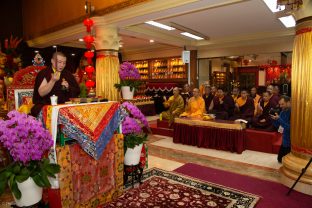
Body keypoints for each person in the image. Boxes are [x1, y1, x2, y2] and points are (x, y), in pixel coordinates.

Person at [31, 52, 80, 117]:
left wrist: (68, 87)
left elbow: (77, 91)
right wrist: (52, 80)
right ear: (52, 61)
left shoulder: (67, 74)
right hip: (46, 105)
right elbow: (41, 93)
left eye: (64, 63)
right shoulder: (44, 73)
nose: (62, 65)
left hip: (64, 104)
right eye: (59, 62)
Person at [271, 96, 291, 163]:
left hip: (291, 141)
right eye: (280, 104)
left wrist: (279, 119)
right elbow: (278, 127)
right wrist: (274, 120)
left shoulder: (292, 113)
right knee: (279, 160)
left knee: (286, 162)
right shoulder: (282, 112)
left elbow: (289, 128)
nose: (280, 106)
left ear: (288, 103)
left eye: (282, 104)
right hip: (284, 139)